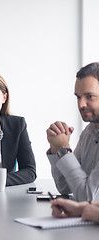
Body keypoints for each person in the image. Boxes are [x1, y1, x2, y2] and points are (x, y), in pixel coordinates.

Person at [46, 62, 99, 201]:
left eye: (89, 96)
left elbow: (88, 199)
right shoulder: (89, 133)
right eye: (78, 97)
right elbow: (65, 186)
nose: (81, 104)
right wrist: (55, 149)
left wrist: (63, 149)